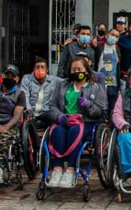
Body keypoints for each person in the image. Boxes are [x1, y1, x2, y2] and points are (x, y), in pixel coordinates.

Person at [46, 56, 108, 188]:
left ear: (86, 71)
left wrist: (88, 105)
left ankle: (71, 169)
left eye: (79, 69)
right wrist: (58, 115)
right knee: (57, 131)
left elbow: (101, 112)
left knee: (75, 131)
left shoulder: (96, 88)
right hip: (65, 120)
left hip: (86, 122)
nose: (76, 72)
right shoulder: (62, 86)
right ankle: (57, 168)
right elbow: (52, 105)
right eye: (73, 69)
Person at [21, 57, 66, 131]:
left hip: (46, 112)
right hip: (31, 113)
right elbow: (25, 95)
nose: (40, 70)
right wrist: (28, 110)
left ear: (47, 70)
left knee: (55, 117)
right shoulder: (27, 79)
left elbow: (66, 82)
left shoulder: (53, 80)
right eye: (37, 67)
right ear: (33, 69)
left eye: (42, 67)